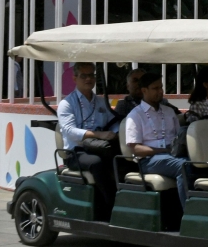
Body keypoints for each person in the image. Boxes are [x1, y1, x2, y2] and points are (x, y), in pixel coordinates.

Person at [57, 63, 120, 213]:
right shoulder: (67, 104)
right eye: (83, 76)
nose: (88, 79)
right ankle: (110, 205)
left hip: (98, 146)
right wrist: (99, 134)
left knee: (121, 157)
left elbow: (113, 121)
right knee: (96, 163)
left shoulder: (99, 102)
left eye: (91, 75)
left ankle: (126, 199)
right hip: (76, 152)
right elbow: (69, 131)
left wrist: (118, 133)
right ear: (74, 78)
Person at [125, 72, 190, 208]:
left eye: (161, 87)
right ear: (144, 90)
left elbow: (179, 137)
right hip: (149, 160)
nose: (160, 91)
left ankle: (183, 211)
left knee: (195, 164)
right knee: (184, 166)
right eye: (155, 88)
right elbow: (136, 149)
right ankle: (189, 213)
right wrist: (163, 150)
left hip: (172, 155)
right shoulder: (135, 115)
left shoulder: (169, 112)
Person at [114, 68, 183, 121]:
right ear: (127, 86)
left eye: (142, 80)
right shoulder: (123, 105)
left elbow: (178, 116)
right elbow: (121, 129)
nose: (139, 83)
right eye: (135, 80)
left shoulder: (161, 102)